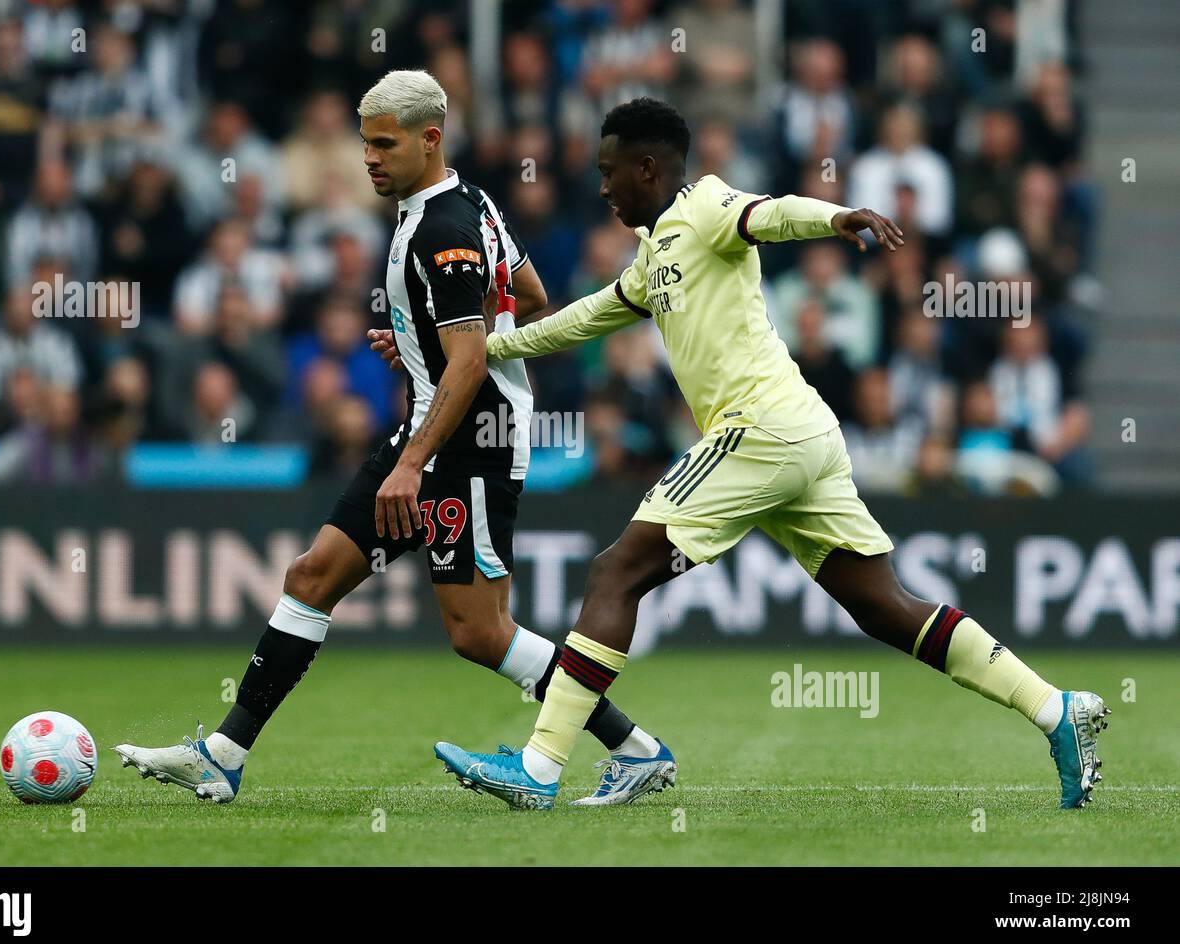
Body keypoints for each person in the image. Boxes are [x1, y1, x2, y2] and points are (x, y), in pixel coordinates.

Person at [425, 98, 1106, 811]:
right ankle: (1058, 710)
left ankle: (539, 768)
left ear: (647, 167)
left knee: (614, 572)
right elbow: (580, 319)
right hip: (800, 434)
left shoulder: (708, 206)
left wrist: (835, 219)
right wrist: (478, 352)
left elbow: (769, 212)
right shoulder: (655, 253)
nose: (602, 187)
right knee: (884, 606)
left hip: (761, 430)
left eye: (609, 171)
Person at [113, 71, 670, 806]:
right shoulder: (470, 205)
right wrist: (418, 341)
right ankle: (223, 753)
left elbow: (471, 359)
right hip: (431, 429)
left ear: (429, 138)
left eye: (384, 143)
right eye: (364, 142)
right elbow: (527, 298)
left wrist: (414, 455)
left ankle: (634, 748)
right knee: (312, 578)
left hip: (469, 444)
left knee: (480, 632)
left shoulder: (441, 227)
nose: (369, 158)